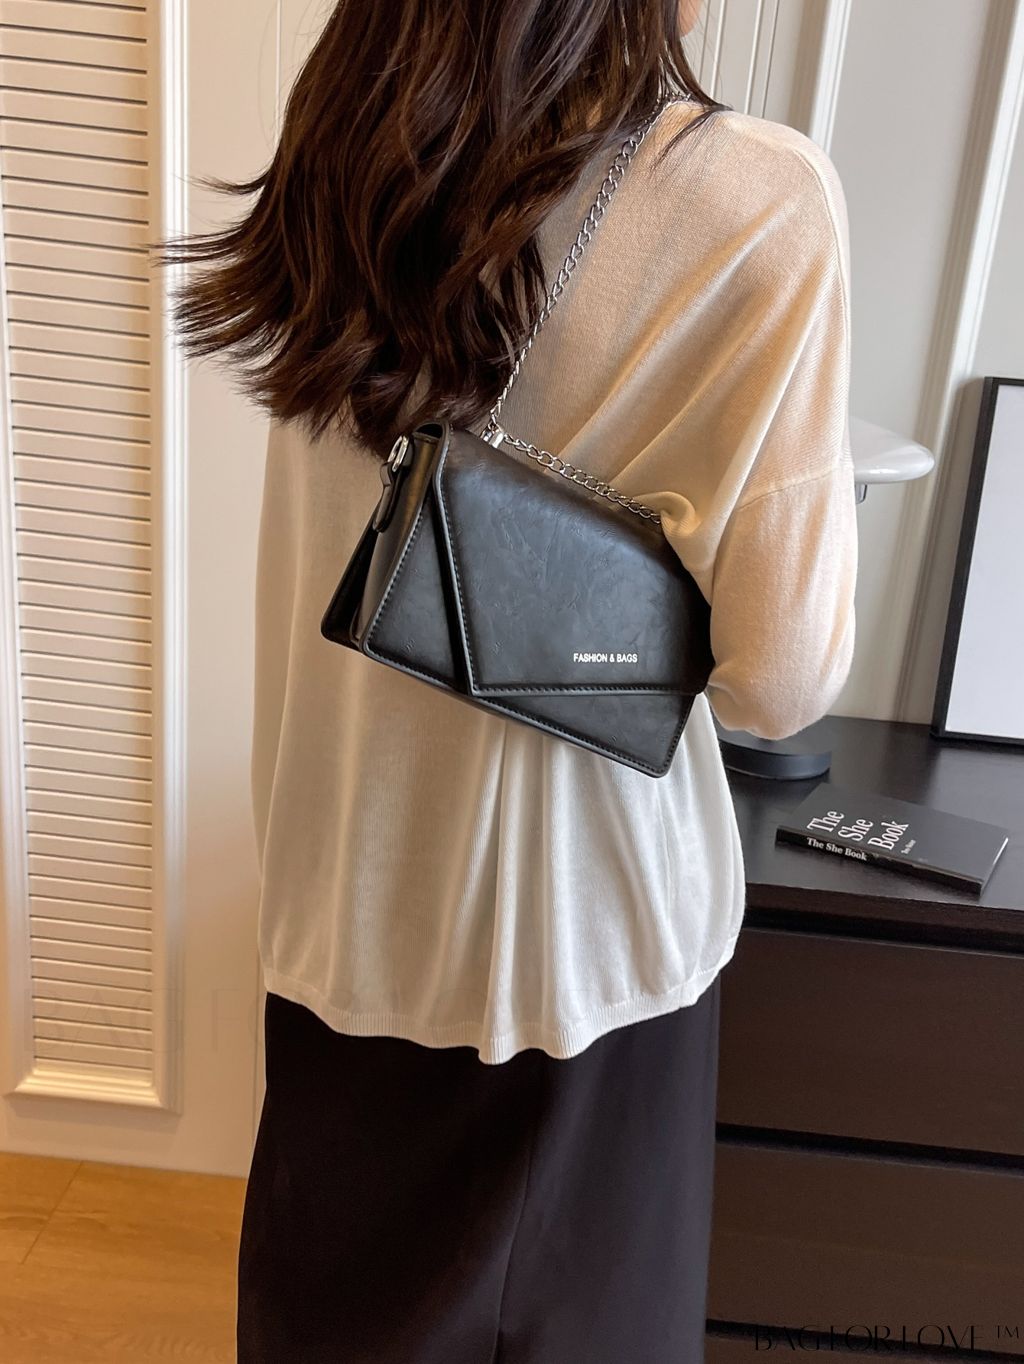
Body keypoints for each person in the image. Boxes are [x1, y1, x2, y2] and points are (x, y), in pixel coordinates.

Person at [158, 1, 858, 1359]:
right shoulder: (753, 201)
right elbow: (781, 682)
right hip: (577, 949)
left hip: (339, 902)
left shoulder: (351, 135)